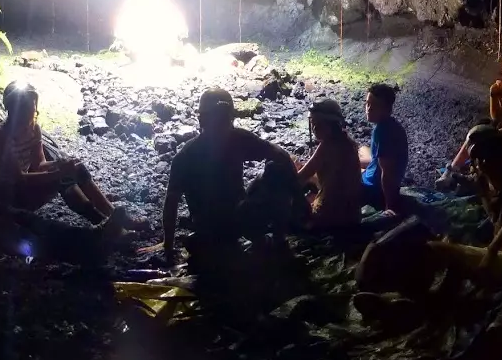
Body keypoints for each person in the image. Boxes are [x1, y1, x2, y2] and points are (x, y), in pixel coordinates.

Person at [356, 127, 502, 303]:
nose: (478, 164)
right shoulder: (491, 183)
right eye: (476, 158)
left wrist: (491, 252)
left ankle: (414, 304)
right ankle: (420, 299)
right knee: (442, 245)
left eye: (484, 157)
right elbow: (496, 220)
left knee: (439, 250)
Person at [162, 88, 299, 262]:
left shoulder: (236, 139)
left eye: (224, 119)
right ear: (202, 121)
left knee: (275, 170)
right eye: (217, 119)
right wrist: (168, 247)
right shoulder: (188, 155)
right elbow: (171, 202)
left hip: (237, 216)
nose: (221, 125)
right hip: (214, 226)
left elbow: (279, 155)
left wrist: (298, 200)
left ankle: (275, 241)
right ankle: (265, 243)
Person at [0, 81, 139, 229]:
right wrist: (59, 173)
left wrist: (61, 164)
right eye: (22, 108)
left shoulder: (34, 129)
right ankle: (102, 223)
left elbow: (39, 164)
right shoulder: (0, 135)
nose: (28, 113)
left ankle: (114, 215)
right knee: (62, 179)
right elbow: (19, 178)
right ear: (10, 109)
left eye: (31, 107)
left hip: (18, 189)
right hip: (0, 197)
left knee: (77, 168)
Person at [440, 49, 502, 185]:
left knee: (487, 134)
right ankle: (453, 168)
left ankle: (481, 178)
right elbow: (495, 116)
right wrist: (493, 95)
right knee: (480, 127)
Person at [297, 99, 362, 228]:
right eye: (313, 123)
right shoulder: (347, 142)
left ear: (332, 124)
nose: (315, 128)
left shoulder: (327, 147)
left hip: (331, 218)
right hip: (353, 214)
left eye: (320, 124)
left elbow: (301, 178)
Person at [360, 83, 409, 212]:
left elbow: (387, 173)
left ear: (387, 109)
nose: (369, 109)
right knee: (362, 149)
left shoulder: (382, 132)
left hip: (372, 189)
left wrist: (390, 206)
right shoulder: (391, 125)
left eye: (375, 105)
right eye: (367, 104)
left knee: (325, 173)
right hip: (374, 176)